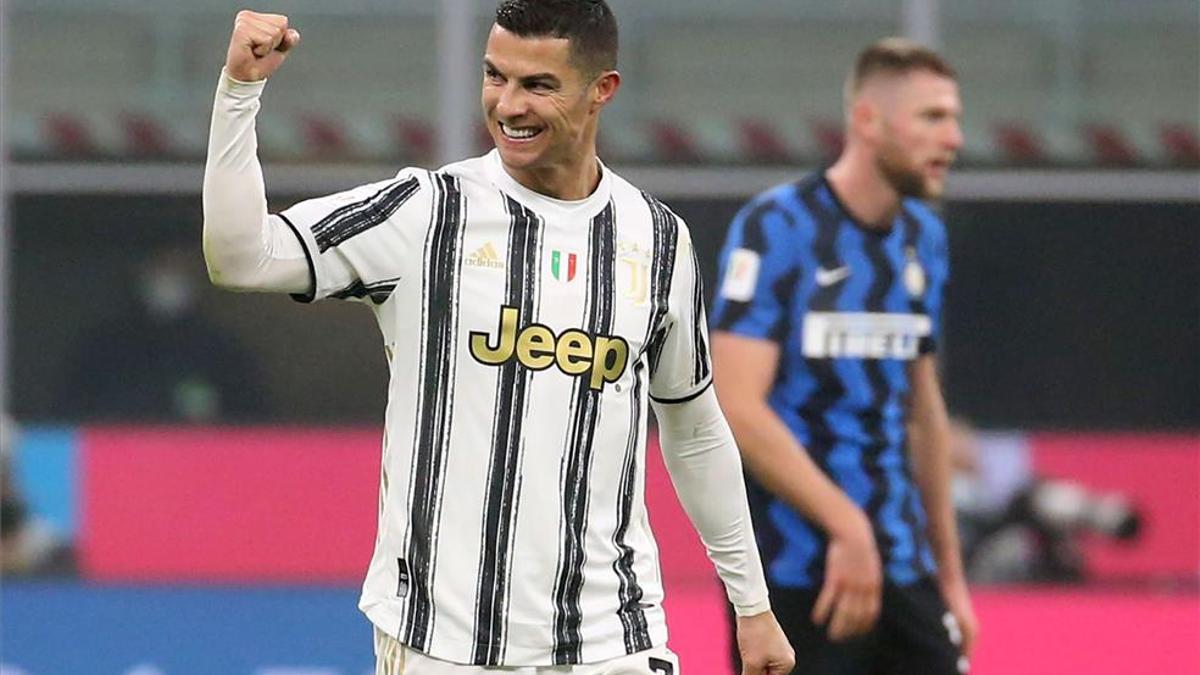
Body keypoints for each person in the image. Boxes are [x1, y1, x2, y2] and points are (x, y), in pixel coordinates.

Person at [201, 2, 794, 674]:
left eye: (538, 85)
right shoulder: (427, 212)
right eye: (495, 77)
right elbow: (241, 257)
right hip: (443, 644)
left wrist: (752, 602)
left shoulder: (657, 241)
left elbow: (694, 427)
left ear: (603, 90)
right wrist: (239, 90)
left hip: (613, 640)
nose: (508, 105)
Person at [710, 38, 978, 674]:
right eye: (932, 117)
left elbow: (922, 411)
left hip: (901, 567)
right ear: (867, 121)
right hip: (796, 574)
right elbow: (736, 406)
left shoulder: (923, 238)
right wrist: (845, 526)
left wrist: (951, 577)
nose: (954, 138)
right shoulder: (778, 227)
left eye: (954, 118)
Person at [58, 244, 267, 422]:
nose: (172, 275)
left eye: (182, 267)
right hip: (120, 461)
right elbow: (73, 415)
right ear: (142, 269)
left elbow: (251, 422)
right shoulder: (103, 347)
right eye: (164, 265)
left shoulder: (222, 351)